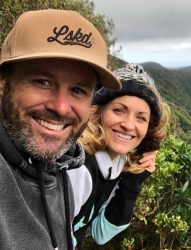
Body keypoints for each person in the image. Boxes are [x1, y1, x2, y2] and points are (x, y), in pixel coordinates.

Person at [0, 9, 121, 250]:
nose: (61, 107)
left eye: (78, 90)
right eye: (42, 81)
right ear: (3, 84)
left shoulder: (62, 168)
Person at [69, 63, 170, 245]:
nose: (129, 125)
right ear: (99, 112)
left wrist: (133, 181)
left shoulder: (117, 164)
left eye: (141, 117)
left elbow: (101, 233)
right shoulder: (77, 165)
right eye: (119, 110)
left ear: (149, 128)